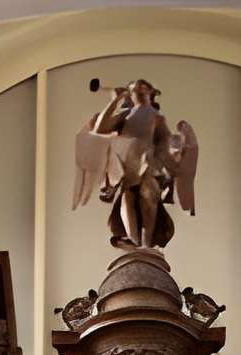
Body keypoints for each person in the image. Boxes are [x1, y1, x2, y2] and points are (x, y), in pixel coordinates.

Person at [74, 78, 198, 250]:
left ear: (149, 93)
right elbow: (101, 128)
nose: (139, 90)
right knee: (127, 197)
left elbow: (164, 142)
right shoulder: (125, 115)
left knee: (147, 195)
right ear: (130, 94)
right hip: (128, 167)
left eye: (143, 87)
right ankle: (134, 240)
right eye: (134, 88)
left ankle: (146, 244)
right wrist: (116, 101)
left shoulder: (156, 118)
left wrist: (169, 167)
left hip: (149, 164)